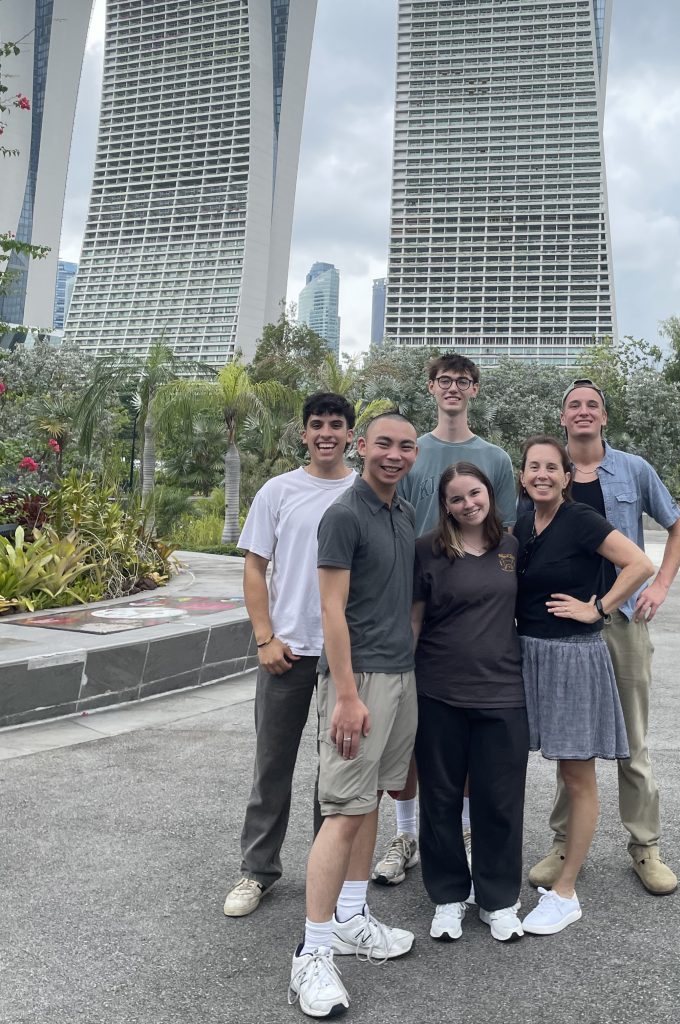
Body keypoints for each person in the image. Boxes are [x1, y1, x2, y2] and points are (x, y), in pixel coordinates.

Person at [529, 379, 680, 896]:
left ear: (604, 417)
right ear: (562, 417)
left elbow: (678, 527)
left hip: (618, 622)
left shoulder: (633, 470)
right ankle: (563, 843)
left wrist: (659, 584)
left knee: (632, 737)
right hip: (562, 629)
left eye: (591, 405)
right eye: (573, 405)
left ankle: (645, 845)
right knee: (569, 739)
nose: (582, 412)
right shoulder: (549, 473)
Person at [288, 413, 419, 1020]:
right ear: (361, 446)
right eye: (383, 444)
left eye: (405, 447)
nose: (394, 455)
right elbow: (331, 609)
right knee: (341, 812)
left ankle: (352, 916)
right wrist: (345, 693)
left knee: (368, 801)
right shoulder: (343, 514)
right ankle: (310, 955)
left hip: (399, 676)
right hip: (358, 680)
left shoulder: (403, 513)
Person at [373, 353, 516, 886]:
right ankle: (406, 833)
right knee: (411, 733)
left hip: (476, 614)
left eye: (463, 381)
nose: (453, 388)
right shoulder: (413, 453)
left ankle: (464, 832)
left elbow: (505, 534)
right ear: (431, 388)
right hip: (412, 603)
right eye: (444, 380)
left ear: (474, 390)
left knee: (470, 731)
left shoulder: (495, 460)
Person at [224, 392, 357, 918]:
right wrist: (264, 637)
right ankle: (257, 871)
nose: (326, 433)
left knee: (338, 774)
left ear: (352, 434)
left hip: (344, 659)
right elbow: (255, 569)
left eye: (336, 425)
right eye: (317, 425)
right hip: (288, 654)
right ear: (304, 433)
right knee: (271, 767)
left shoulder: (365, 491)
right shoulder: (278, 491)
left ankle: (331, 875)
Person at [514, 436, 654, 935]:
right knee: (510, 763)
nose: (543, 475)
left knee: (578, 775)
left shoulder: (580, 519)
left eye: (553, 467)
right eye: (534, 467)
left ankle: (567, 891)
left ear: (567, 476)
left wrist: (598, 608)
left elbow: (640, 564)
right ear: (523, 476)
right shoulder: (522, 523)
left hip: (574, 657)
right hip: (527, 656)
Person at [412, 462, 528, 943]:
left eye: (475, 494)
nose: (468, 504)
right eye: (457, 498)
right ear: (445, 505)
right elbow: (413, 622)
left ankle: (498, 899)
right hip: (439, 692)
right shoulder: (427, 551)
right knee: (439, 799)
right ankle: (448, 897)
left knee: (499, 801)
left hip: (503, 693)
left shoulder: (512, 547)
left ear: (489, 494)